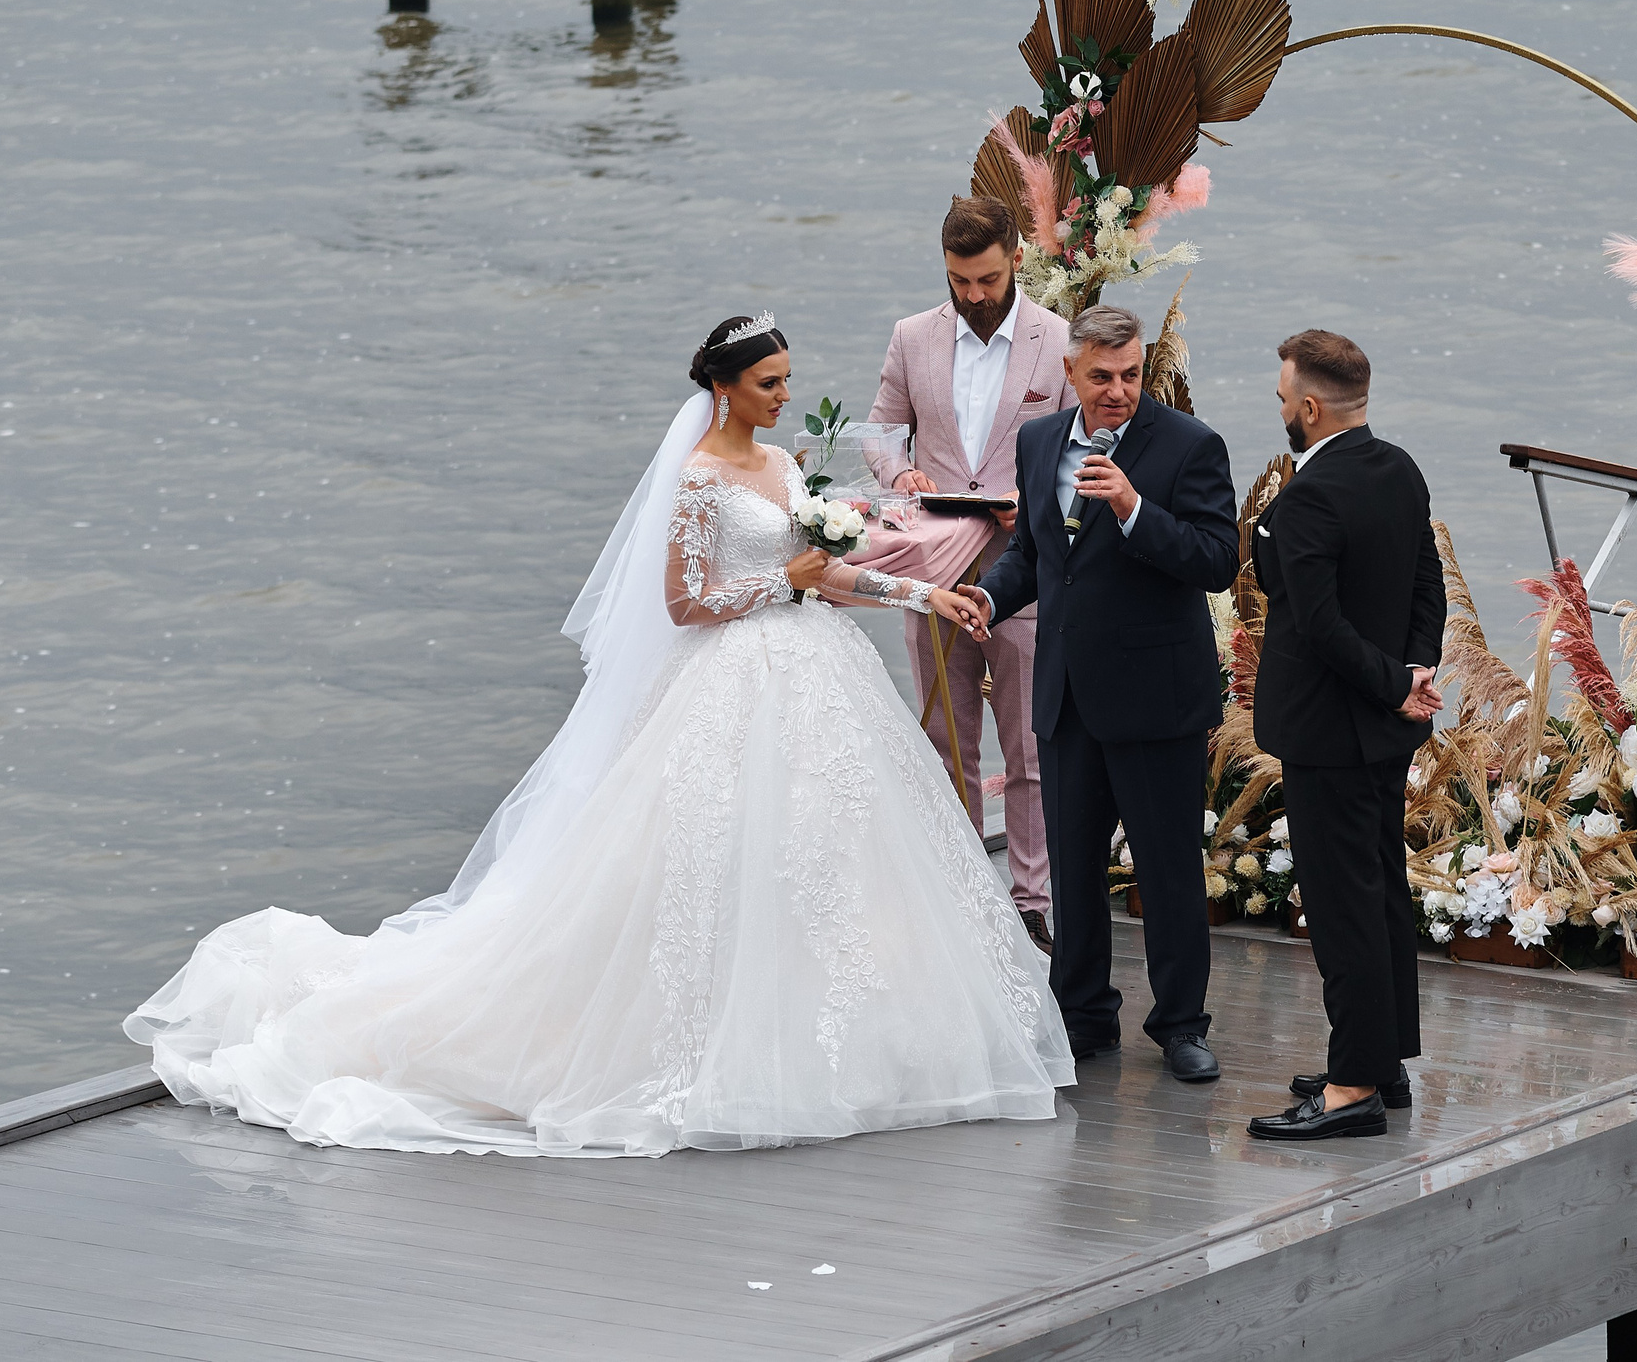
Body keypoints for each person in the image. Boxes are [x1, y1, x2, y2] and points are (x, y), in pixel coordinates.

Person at [124, 314, 1072, 1158]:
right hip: (733, 680)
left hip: (815, 673)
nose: (786, 397)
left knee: (823, 856)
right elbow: (686, 601)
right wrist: (783, 582)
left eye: (787, 379)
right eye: (770, 383)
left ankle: (837, 1028)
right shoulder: (700, 478)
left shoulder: (785, 469)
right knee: (711, 859)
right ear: (724, 388)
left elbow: (826, 573)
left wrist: (924, 592)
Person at [970, 304, 1239, 1083]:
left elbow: (1216, 559)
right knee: (1074, 869)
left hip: (1157, 697)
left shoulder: (1191, 446)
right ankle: (1082, 1015)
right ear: (1070, 372)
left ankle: (1181, 1022)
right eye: (1102, 377)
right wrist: (990, 596)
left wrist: (1132, 508)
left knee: (1168, 870)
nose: (1118, 391)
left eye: (1130, 375)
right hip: (1066, 694)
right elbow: (1031, 553)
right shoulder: (1038, 441)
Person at [1242, 330, 1446, 1143]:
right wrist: (1414, 673)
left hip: (1331, 731)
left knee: (1341, 907)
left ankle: (1352, 1086)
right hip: (1386, 729)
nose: (1281, 406)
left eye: (1284, 395)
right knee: (1379, 889)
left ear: (1311, 406)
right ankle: (1381, 1057)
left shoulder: (1308, 499)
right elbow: (1426, 581)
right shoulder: (1400, 470)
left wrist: (1397, 682)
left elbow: (1319, 626)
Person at [869, 196, 1070, 951]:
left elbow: (1090, 448)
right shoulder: (912, 336)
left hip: (1026, 570)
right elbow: (883, 427)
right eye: (960, 281)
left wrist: (1041, 500)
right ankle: (954, 884)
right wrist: (902, 472)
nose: (975, 295)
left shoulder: (1057, 341)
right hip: (935, 567)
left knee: (1029, 745)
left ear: (1016, 257)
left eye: (986, 278)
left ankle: (1031, 899)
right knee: (943, 737)